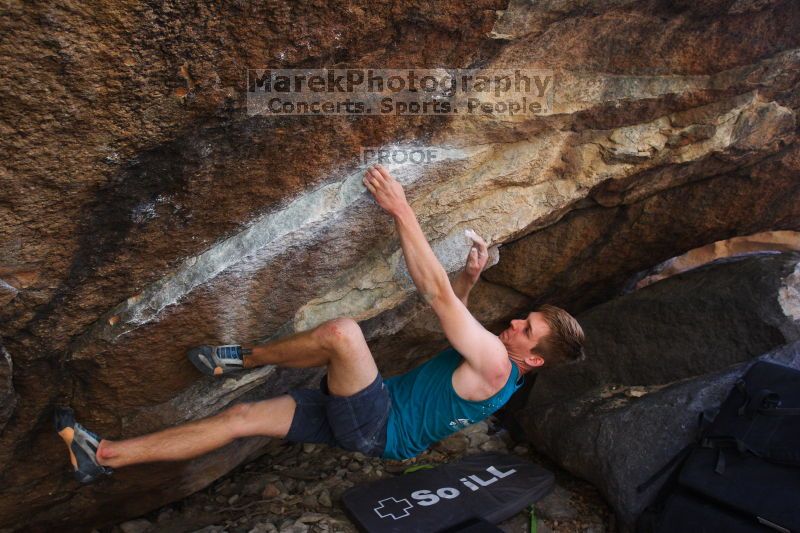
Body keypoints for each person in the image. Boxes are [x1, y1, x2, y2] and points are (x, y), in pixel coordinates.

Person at [55, 164, 585, 483]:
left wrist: (402, 209)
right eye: (525, 317)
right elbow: (454, 312)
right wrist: (469, 279)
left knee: (343, 335)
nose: (516, 322)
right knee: (241, 418)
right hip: (371, 422)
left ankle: (240, 359)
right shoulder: (498, 368)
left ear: (533, 358)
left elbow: (435, 294)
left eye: (528, 329)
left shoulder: (497, 363)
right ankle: (102, 457)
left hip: (376, 422)